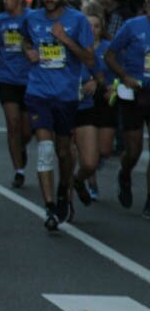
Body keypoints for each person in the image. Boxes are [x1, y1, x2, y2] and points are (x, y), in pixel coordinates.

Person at [21, 0, 95, 230]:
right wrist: (27, 51)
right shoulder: (32, 18)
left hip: (65, 95)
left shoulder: (77, 20)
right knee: (44, 147)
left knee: (63, 151)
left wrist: (65, 39)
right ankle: (50, 207)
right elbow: (25, 39)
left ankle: (64, 189)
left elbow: (88, 58)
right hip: (38, 92)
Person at [104, 0, 150, 217]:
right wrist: (124, 76)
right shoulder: (132, 26)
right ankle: (125, 173)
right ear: (146, 6)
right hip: (134, 93)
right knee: (134, 150)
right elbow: (109, 55)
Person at [0, 0, 33, 187]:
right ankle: (19, 170)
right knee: (13, 123)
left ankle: (20, 148)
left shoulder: (31, 18)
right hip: (7, 79)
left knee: (27, 130)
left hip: (30, 80)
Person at [71, 12, 110, 211]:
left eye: (96, 26)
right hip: (64, 107)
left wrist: (97, 81)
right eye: (87, 26)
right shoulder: (68, 45)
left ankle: (79, 180)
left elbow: (104, 74)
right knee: (66, 156)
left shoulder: (98, 51)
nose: (91, 30)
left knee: (90, 162)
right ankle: (65, 202)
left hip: (87, 107)